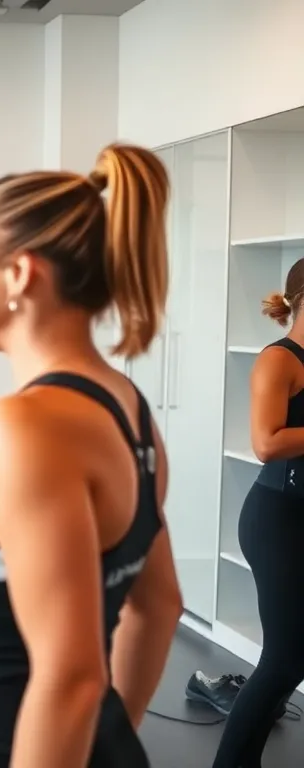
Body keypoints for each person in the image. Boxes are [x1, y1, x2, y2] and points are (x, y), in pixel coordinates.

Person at [0, 144, 185, 768]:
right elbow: (158, 603)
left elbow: (72, 676)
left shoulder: (23, 428)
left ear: (20, 275)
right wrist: (107, 736)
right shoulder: (127, 407)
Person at [211, 259, 304, 767]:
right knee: (285, 657)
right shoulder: (279, 360)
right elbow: (266, 443)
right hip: (277, 521)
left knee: (294, 655)